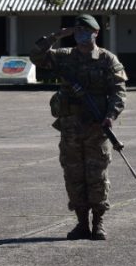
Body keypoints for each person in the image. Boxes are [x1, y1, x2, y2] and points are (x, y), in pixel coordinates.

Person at [30, 14, 127, 241]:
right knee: (73, 175)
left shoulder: (107, 59)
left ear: (96, 33)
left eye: (87, 31)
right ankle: (81, 223)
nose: (82, 35)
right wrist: (56, 36)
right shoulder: (64, 57)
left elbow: (119, 92)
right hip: (71, 128)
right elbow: (35, 57)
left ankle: (98, 223)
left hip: (96, 128)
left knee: (97, 176)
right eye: (78, 31)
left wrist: (111, 116)